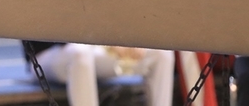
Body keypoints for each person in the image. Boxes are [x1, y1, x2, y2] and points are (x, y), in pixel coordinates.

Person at [22, 40, 174, 106]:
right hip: (49, 52)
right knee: (80, 53)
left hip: (95, 47)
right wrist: (107, 40)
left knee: (161, 54)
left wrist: (130, 39)